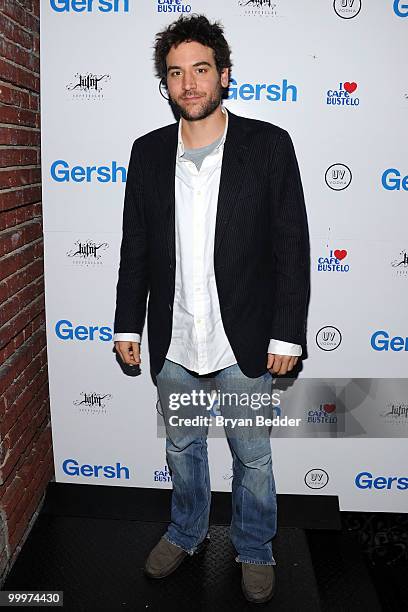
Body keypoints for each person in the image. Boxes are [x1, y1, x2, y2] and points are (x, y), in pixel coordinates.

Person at [113, 14, 310, 604]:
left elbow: (292, 249)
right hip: (175, 338)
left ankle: (253, 546)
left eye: (201, 70)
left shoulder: (268, 145)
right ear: (165, 85)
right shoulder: (146, 153)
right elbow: (135, 246)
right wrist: (127, 322)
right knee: (182, 448)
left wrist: (287, 335)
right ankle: (186, 530)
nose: (189, 83)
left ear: (224, 75)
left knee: (252, 456)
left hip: (244, 338)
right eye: (176, 73)